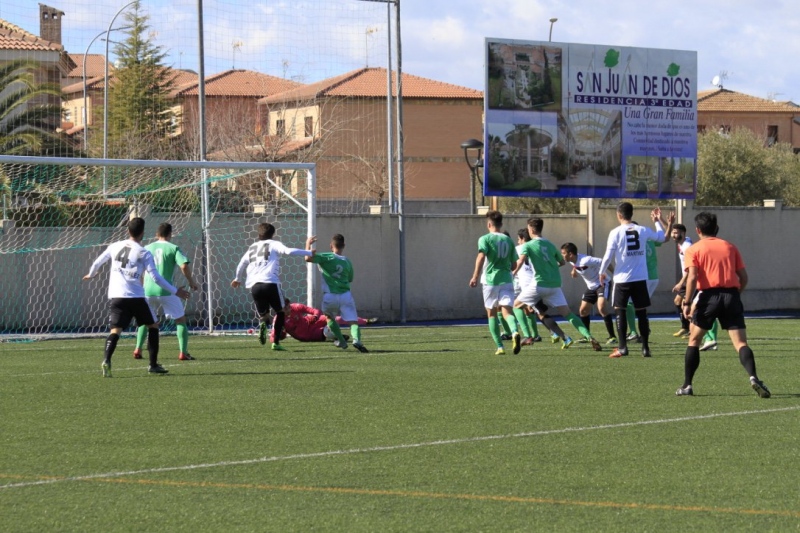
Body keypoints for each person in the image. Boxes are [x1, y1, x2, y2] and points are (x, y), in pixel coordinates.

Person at [676, 212, 770, 398]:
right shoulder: (730, 247)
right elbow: (743, 278)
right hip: (731, 295)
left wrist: (687, 302)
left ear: (697, 230)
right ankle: (753, 377)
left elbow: (693, 277)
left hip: (709, 297)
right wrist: (734, 295)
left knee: (694, 341)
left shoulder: (693, 249)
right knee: (741, 343)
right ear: (716, 229)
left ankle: (687, 385)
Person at [82, 217, 190, 377]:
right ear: (142, 233)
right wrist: (175, 291)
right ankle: (153, 365)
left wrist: (91, 274)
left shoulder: (115, 246)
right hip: (137, 297)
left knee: (115, 330)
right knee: (153, 326)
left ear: (128, 231)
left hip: (117, 296)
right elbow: (156, 277)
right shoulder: (143, 252)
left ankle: (107, 360)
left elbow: (98, 262)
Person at [512, 217, 602, 351]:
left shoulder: (527, 245)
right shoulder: (550, 245)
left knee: (516, 306)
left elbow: (520, 261)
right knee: (568, 314)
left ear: (530, 229)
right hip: (555, 285)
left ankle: (524, 334)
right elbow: (562, 262)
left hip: (539, 284)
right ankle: (589, 337)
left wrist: (513, 273)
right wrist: (550, 267)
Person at [231, 222, 314, 351]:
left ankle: (263, 323)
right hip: (270, 283)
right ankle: (275, 342)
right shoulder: (274, 244)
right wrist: (308, 251)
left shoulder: (252, 247)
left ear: (258, 234)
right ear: (273, 234)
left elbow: (242, 263)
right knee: (280, 312)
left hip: (254, 286)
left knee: (264, 315)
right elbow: (288, 251)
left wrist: (237, 278)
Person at [599, 203, 666, 358]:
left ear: (619, 215)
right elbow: (661, 237)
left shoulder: (615, 232)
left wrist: (602, 272)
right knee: (642, 313)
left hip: (622, 279)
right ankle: (645, 348)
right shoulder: (642, 230)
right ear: (632, 214)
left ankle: (622, 347)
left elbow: (608, 256)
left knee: (619, 311)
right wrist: (657, 221)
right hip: (640, 278)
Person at [133, 222, 199, 361]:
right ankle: (183, 352)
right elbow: (184, 266)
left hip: (148, 290)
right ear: (170, 234)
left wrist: (141, 286)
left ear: (157, 234)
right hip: (168, 290)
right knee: (180, 320)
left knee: (146, 321)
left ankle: (138, 349)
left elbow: (139, 269)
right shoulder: (174, 248)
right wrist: (191, 282)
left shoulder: (146, 248)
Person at [468, 210, 523, 355]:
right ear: (501, 224)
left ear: (489, 224)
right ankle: (515, 331)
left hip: (490, 280)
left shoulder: (484, 239)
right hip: (507, 280)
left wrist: (474, 276)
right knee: (507, 311)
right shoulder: (508, 240)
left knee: (491, 314)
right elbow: (513, 265)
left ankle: (500, 347)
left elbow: (481, 257)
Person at [305, 233, 369, 352]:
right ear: (343, 245)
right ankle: (356, 340)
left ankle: (342, 341)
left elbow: (307, 258)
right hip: (346, 296)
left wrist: (308, 243)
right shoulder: (347, 262)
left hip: (330, 296)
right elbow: (350, 279)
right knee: (353, 321)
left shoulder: (326, 257)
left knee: (329, 318)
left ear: (331, 246)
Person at [560, 242, 617, 345]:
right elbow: (576, 265)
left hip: (602, 284)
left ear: (570, 254)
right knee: (583, 311)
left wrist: (615, 274)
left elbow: (605, 261)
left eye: (563, 253)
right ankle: (587, 336)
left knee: (601, 308)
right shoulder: (572, 260)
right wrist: (574, 270)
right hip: (591, 287)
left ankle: (612, 337)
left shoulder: (586, 260)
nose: (562, 255)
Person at [270, 299, 377, 343]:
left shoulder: (296, 307)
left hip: (310, 322)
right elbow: (273, 337)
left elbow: (315, 310)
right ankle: (337, 337)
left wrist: (315, 317)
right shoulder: (278, 319)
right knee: (327, 332)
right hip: (307, 336)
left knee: (333, 318)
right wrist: (279, 336)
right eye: (285, 308)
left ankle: (366, 321)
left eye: (288, 306)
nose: (288, 309)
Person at [670, 222, 693, 337]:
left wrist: (680, 283)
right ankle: (686, 328)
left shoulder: (687, 247)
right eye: (672, 233)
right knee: (678, 302)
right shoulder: (682, 240)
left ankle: (691, 329)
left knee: (685, 305)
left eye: (675, 233)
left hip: (689, 277)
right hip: (686, 278)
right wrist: (664, 222)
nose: (673, 235)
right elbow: (673, 231)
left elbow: (690, 269)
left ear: (683, 233)